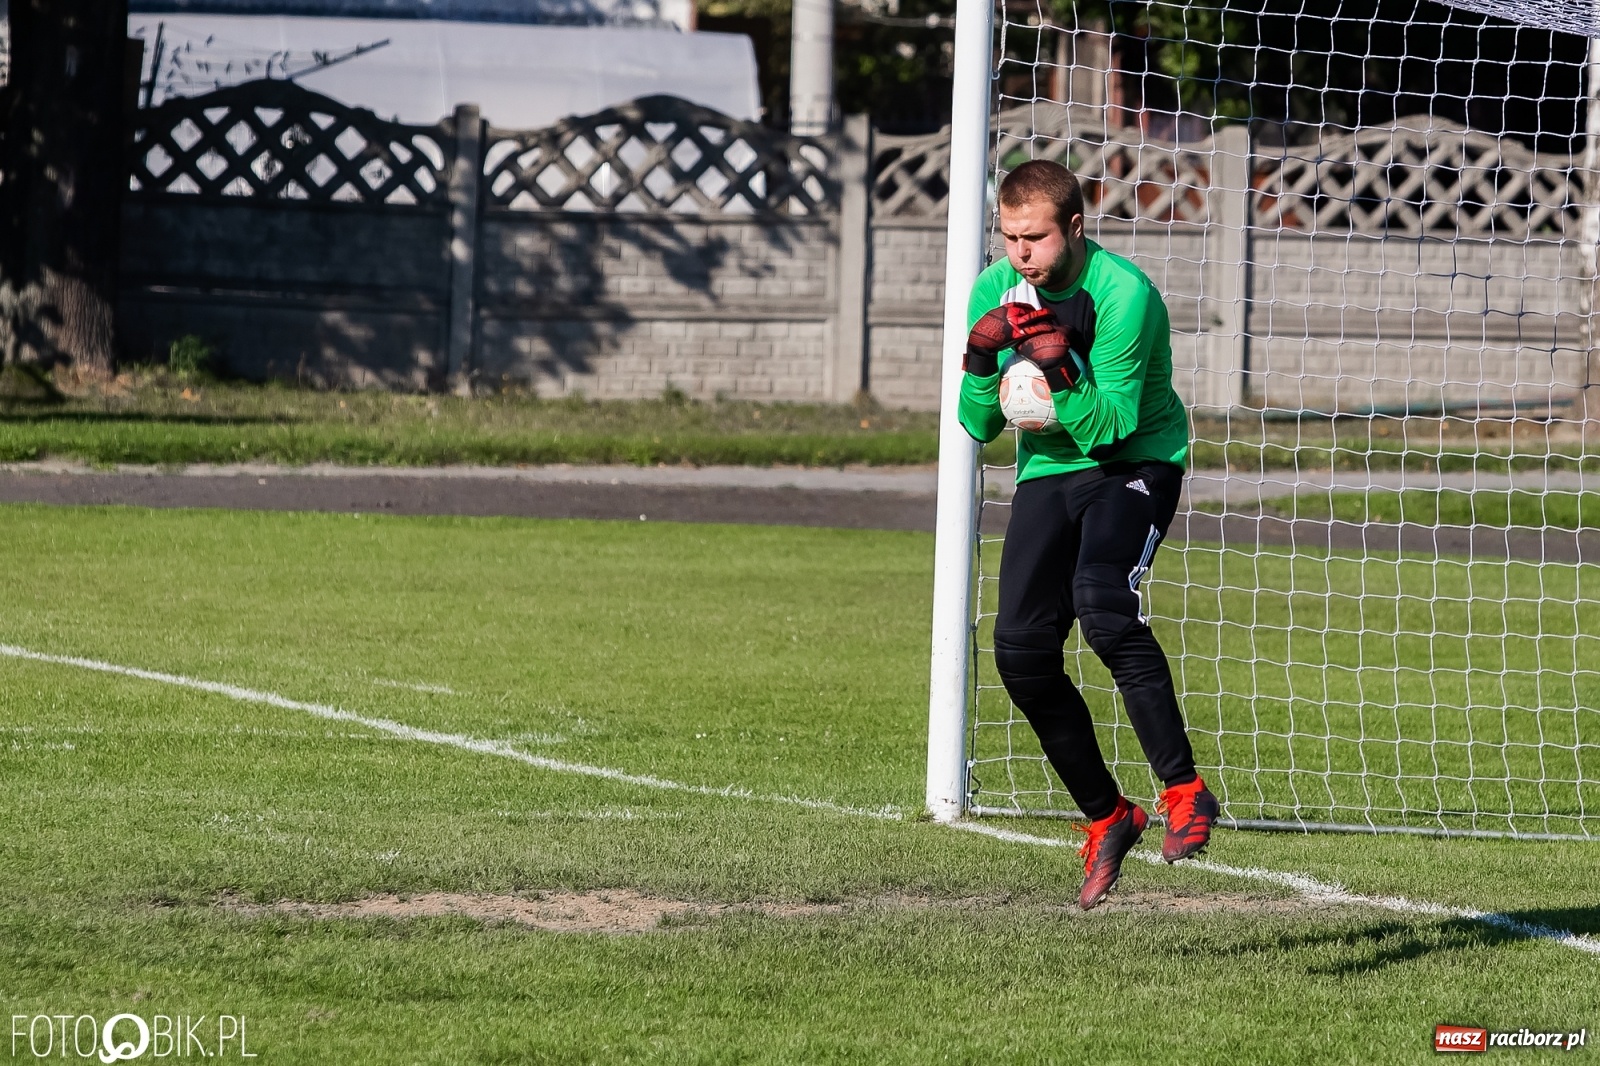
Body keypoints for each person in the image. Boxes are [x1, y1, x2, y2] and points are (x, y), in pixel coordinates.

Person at [959, 159, 1218, 910]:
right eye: (1008, 238)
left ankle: (1185, 790)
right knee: (1020, 654)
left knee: (1102, 603)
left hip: (1134, 462)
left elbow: (1110, 426)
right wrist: (981, 359)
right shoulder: (995, 289)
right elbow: (976, 424)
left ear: (1074, 225)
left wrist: (1055, 366)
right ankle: (1110, 816)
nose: (1020, 256)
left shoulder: (1124, 295)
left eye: (1033, 238)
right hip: (1049, 472)